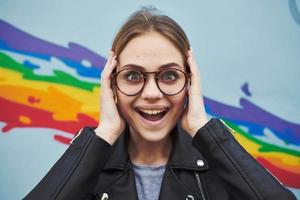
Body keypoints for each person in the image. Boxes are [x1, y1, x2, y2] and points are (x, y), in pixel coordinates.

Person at [24, 7, 296, 200]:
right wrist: (104, 133)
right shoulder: (88, 169)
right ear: (111, 83)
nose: (152, 93)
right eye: (133, 76)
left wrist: (205, 129)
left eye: (169, 75)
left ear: (190, 82)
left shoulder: (221, 169)